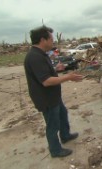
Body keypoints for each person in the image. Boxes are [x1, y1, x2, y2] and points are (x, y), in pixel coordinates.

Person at [24, 25, 84, 158]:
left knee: (63, 114)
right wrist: (68, 77)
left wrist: (56, 69)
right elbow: (46, 81)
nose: (53, 41)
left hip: (53, 96)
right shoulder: (34, 57)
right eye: (51, 38)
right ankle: (55, 150)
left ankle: (65, 135)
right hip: (46, 98)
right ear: (42, 40)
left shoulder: (41, 54)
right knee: (53, 124)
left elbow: (44, 73)